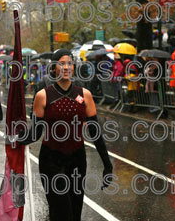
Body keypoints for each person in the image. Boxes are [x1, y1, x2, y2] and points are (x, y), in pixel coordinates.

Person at [18, 49, 113, 221]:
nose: (67, 67)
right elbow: (36, 131)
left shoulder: (84, 95)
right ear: (54, 68)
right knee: (62, 213)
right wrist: (19, 138)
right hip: (51, 162)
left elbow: (95, 133)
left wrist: (107, 165)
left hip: (77, 160)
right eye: (62, 63)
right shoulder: (43, 96)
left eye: (69, 63)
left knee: (75, 214)